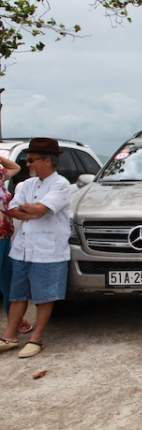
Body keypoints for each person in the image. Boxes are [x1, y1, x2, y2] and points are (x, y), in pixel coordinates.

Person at [0, 138, 71, 358]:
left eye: (31, 160)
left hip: (47, 250)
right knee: (17, 294)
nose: (28, 164)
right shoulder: (25, 185)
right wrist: (28, 210)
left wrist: (29, 210)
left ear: (47, 160)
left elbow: (41, 209)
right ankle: (9, 336)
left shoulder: (60, 184)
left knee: (44, 296)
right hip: (23, 248)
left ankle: (36, 338)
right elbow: (11, 210)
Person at [0, 155, 33, 335]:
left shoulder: (0, 175)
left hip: (4, 236)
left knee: (8, 282)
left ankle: (14, 320)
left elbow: (15, 168)